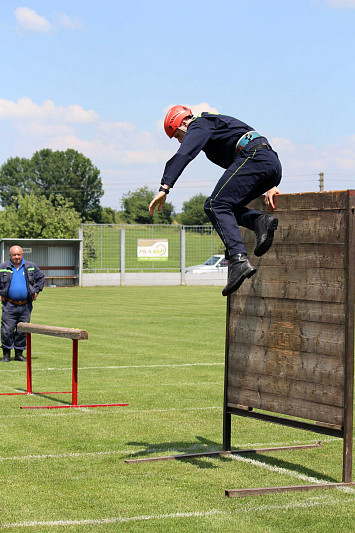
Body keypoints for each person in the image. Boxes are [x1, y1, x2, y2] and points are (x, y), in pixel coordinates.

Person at [149, 105, 282, 296]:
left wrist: (165, 187)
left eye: (178, 135)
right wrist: (270, 182)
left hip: (256, 158)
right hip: (268, 162)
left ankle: (238, 259)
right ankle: (260, 222)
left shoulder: (200, 124)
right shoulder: (215, 129)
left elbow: (184, 154)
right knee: (225, 207)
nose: (181, 141)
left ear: (184, 122)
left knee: (214, 204)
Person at [0, 245, 45, 362]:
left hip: (25, 305)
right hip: (9, 305)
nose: (16, 257)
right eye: (14, 255)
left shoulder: (30, 266)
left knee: (22, 330)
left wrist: (36, 290)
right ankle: (6, 354)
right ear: (10, 256)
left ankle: (19, 353)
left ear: (22, 255)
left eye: (18, 254)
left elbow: (41, 278)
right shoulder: (3, 267)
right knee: (6, 331)